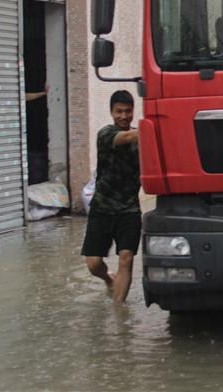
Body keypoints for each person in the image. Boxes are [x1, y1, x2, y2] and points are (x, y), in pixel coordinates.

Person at [81, 90, 141, 303]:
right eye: (119, 112)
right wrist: (154, 126)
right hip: (102, 208)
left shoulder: (141, 136)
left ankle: (119, 315)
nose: (124, 116)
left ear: (133, 111)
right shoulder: (106, 134)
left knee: (126, 259)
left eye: (128, 111)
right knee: (93, 264)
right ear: (111, 112)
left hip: (130, 209)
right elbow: (126, 137)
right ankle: (107, 279)